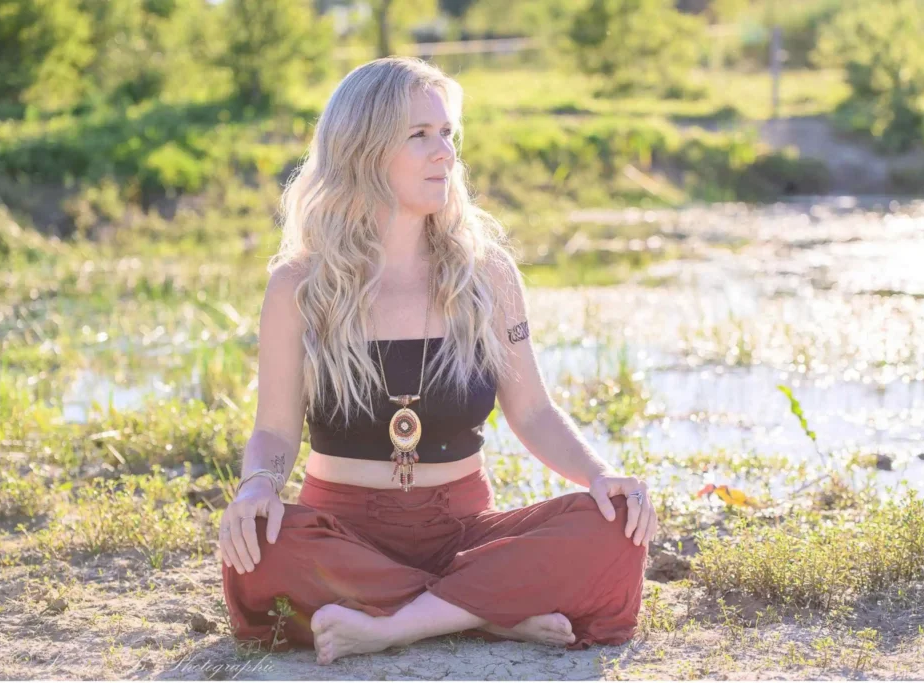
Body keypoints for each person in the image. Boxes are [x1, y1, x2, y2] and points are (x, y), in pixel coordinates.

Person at [219, 56, 657, 666]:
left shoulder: (488, 275)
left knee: (611, 526)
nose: (444, 153)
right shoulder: (300, 285)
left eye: (448, 133)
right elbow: (273, 429)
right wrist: (257, 487)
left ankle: (397, 623)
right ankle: (488, 612)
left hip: (464, 532)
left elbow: (532, 412)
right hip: (344, 532)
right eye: (420, 136)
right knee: (262, 549)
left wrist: (600, 475)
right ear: (363, 150)